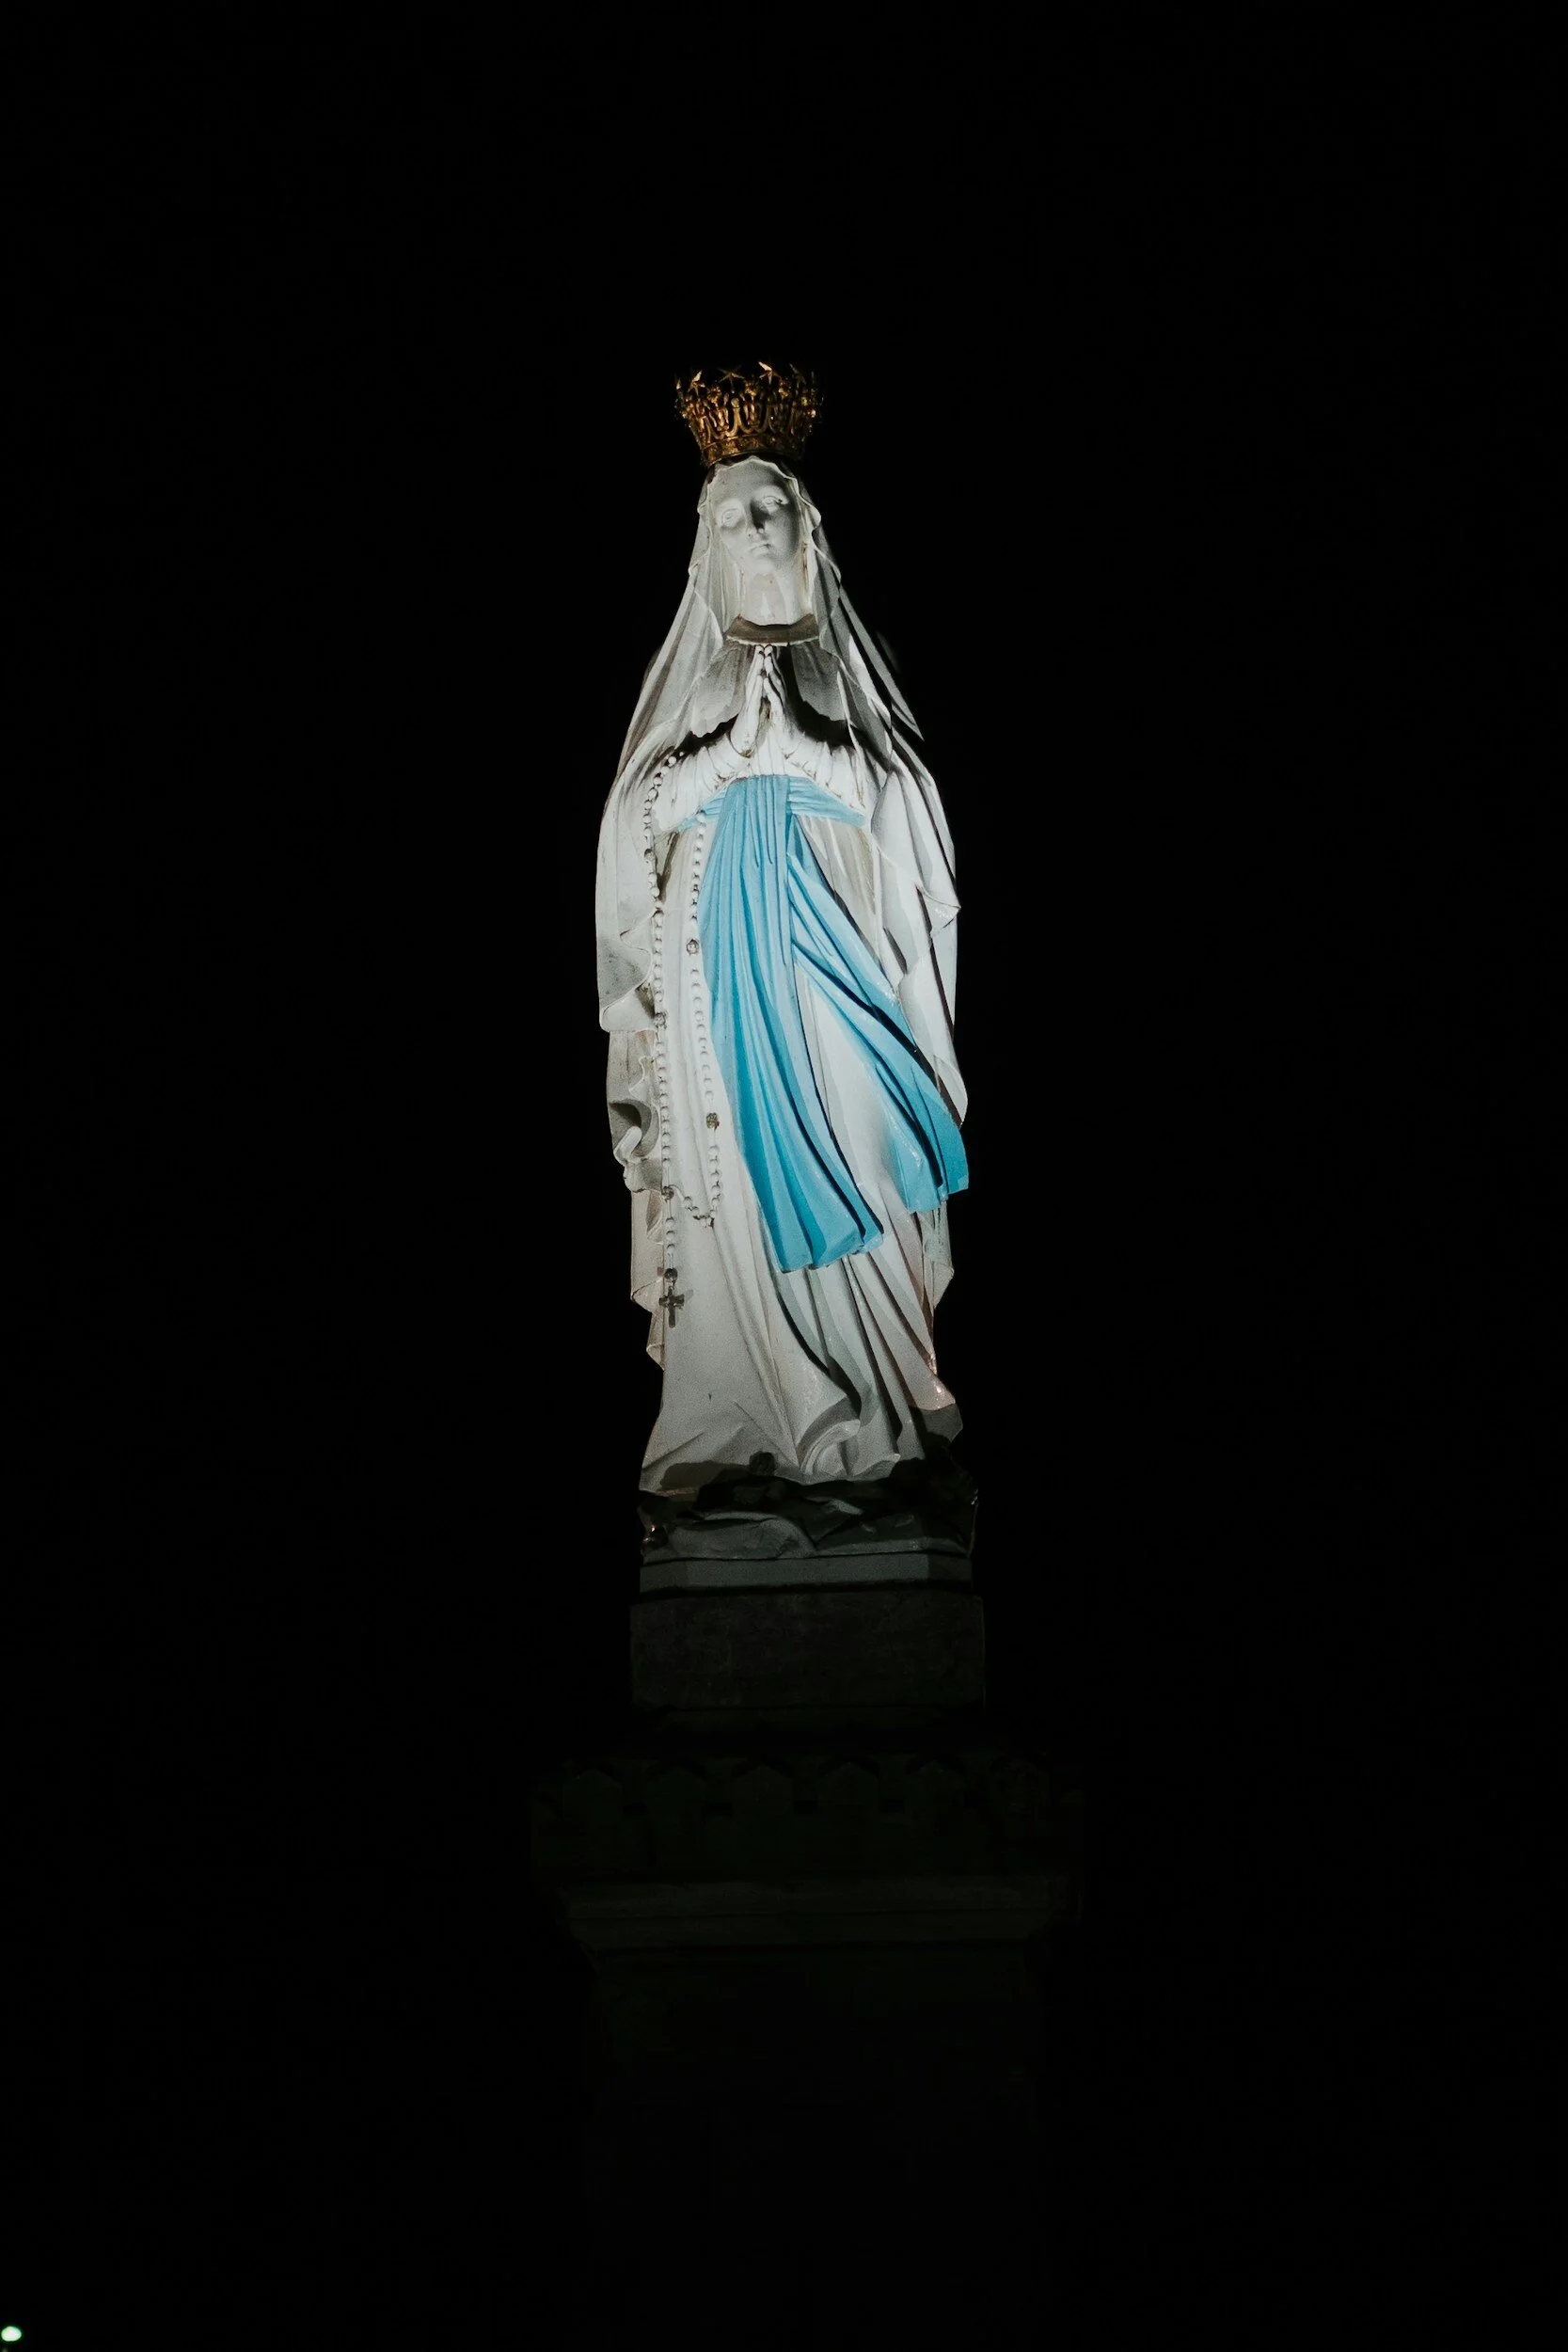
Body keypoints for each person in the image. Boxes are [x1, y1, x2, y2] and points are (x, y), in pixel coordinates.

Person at [595, 401, 971, 1548]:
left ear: (807, 524)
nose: (755, 526)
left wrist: (812, 753)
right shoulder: (684, 690)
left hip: (830, 990)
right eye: (731, 511)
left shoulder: (848, 676)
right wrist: (712, 768)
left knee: (859, 1159)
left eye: (773, 506)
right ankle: (743, 1434)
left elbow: (916, 830)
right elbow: (628, 839)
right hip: (715, 999)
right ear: (703, 539)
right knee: (737, 1214)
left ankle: (877, 1432)